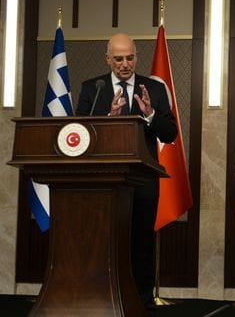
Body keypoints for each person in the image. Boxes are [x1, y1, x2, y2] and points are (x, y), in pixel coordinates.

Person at [76, 33, 177, 314]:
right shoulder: (92, 89)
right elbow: (79, 135)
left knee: (141, 245)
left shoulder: (153, 90)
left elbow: (170, 135)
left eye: (130, 57)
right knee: (103, 243)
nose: (124, 64)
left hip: (143, 182)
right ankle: (101, 298)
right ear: (108, 59)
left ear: (137, 57)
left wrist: (149, 115)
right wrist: (108, 118)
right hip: (104, 183)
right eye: (118, 59)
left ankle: (142, 303)